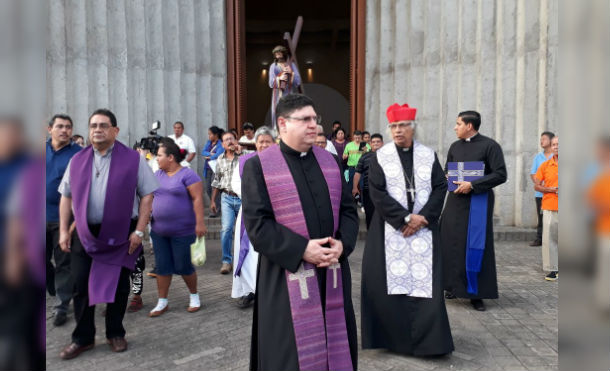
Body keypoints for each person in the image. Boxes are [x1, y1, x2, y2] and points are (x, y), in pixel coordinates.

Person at [242, 94, 359, 371]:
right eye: (304, 119)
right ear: (282, 124)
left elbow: (348, 211)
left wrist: (343, 245)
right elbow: (258, 226)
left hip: (331, 271)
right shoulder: (258, 166)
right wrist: (302, 249)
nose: (313, 125)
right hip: (287, 276)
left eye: (315, 119)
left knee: (335, 342)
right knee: (289, 355)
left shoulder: (330, 161)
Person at [57, 108, 159, 359]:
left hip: (123, 232)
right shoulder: (77, 160)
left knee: (119, 287)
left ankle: (115, 333)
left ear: (116, 130)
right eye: (93, 125)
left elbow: (147, 195)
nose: (97, 130)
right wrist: (63, 230)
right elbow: (66, 197)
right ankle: (83, 338)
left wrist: (139, 230)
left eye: (103, 125)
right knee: (81, 285)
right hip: (84, 232)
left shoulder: (133, 159)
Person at [361, 103, 453, 356]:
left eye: (403, 125)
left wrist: (422, 218)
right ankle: (395, 340)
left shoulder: (428, 155)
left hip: (424, 229)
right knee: (388, 287)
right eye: (393, 126)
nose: (397, 131)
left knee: (427, 288)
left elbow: (440, 186)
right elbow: (377, 192)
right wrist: (403, 218)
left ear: (413, 127)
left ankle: (429, 343)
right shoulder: (380, 157)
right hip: (390, 230)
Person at [440, 111, 507, 312]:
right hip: (455, 200)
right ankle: (452, 286)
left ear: (469, 126)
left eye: (458, 123)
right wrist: (446, 177)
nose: (455, 127)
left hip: (478, 200)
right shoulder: (454, 146)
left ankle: (476, 294)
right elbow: (448, 169)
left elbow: (500, 174)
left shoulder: (490, 146)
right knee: (451, 241)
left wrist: (473, 184)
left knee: (475, 244)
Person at [148, 138, 207, 316]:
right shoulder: (157, 175)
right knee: (162, 267)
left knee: (183, 266)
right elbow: (149, 198)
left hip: (183, 231)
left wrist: (200, 223)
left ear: (171, 157)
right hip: (159, 231)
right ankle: (162, 301)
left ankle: (194, 296)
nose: (156, 159)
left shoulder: (188, 175)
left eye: (159, 156)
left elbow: (197, 199)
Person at [231, 127, 275, 308]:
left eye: (267, 141)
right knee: (248, 253)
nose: (264, 144)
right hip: (249, 211)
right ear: (255, 143)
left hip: (274, 213)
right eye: (261, 141)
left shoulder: (281, 161)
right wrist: (256, 199)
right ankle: (249, 291)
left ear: (274, 143)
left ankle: (269, 292)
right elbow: (235, 184)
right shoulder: (244, 161)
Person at [46, 114, 82, 327]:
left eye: (68, 127)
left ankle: (61, 305)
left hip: (64, 219)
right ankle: (53, 285)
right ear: (49, 129)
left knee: (64, 263)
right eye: (60, 126)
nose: (64, 130)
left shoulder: (78, 155)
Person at [211, 131, 241, 274]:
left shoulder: (244, 156)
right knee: (227, 229)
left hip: (243, 198)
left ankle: (243, 260)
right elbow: (216, 181)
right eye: (226, 140)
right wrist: (212, 201)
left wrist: (242, 153)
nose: (229, 141)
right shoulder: (220, 159)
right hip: (226, 198)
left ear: (236, 140)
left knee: (245, 231)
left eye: (231, 139)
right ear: (222, 144)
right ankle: (226, 261)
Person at [587, 137, 610, 310]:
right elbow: (593, 201)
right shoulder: (601, 176)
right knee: (604, 269)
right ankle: (604, 303)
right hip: (605, 229)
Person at [534, 136, 559, 281]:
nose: (555, 146)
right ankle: (552, 269)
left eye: (558, 144)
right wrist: (550, 189)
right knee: (549, 239)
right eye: (554, 144)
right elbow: (536, 185)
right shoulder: (545, 165)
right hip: (549, 205)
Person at [529, 131, 555, 246]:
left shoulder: (556, 156)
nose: (541, 141)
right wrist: (540, 185)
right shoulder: (538, 157)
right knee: (541, 217)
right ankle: (540, 238)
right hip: (541, 194)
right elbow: (533, 173)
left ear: (551, 141)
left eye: (544, 139)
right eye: (540, 139)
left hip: (555, 194)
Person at [352, 133, 383, 228]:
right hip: (368, 190)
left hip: (384, 191)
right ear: (370, 143)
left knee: (383, 215)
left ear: (382, 143)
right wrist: (354, 188)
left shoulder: (388, 156)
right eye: (373, 142)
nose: (376, 144)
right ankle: (371, 236)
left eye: (378, 142)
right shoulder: (364, 157)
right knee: (369, 214)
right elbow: (358, 172)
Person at [269, 45, 301, 128]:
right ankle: (278, 131)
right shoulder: (274, 66)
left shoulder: (291, 65)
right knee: (278, 112)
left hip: (289, 93)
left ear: (283, 53)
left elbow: (297, 81)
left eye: (279, 52)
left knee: (290, 112)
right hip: (278, 94)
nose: (278, 54)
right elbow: (271, 83)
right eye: (276, 53)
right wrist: (279, 78)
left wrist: (291, 73)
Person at [201, 126, 225, 217]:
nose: (209, 136)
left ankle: (216, 209)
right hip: (207, 168)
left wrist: (209, 156)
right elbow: (203, 152)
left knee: (214, 188)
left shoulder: (220, 144)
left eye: (210, 134)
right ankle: (214, 205)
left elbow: (219, 154)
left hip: (216, 168)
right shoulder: (208, 143)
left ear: (216, 135)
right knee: (208, 188)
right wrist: (211, 154)